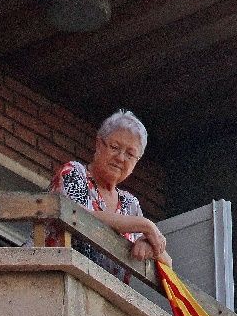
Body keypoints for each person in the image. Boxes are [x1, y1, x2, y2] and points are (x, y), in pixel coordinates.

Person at [48, 110, 170, 284]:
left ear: (136, 161)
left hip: (101, 302)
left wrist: (150, 244)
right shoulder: (75, 173)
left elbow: (167, 262)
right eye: (115, 147)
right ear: (99, 145)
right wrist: (145, 225)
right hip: (52, 283)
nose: (120, 158)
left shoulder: (130, 205)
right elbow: (77, 215)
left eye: (130, 154)